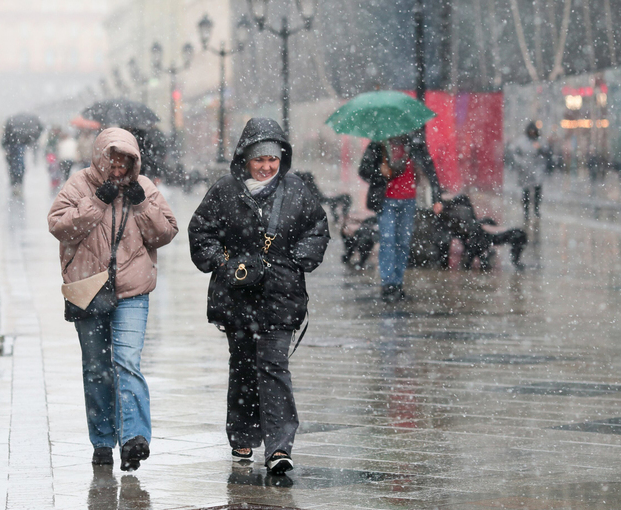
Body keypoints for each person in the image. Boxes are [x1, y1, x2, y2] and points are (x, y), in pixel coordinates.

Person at [188, 118, 330, 475]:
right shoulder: (225, 191)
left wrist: (298, 259)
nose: (267, 166)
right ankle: (243, 434)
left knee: (274, 366)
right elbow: (201, 232)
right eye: (259, 159)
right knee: (243, 366)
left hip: (281, 296)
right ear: (245, 159)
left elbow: (317, 229)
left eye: (273, 159)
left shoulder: (297, 190)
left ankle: (280, 446)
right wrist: (225, 262)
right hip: (238, 298)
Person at [48, 128, 178, 470]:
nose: (118, 168)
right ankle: (103, 441)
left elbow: (165, 233)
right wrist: (97, 201)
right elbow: (59, 226)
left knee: (127, 362)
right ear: (100, 157)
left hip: (132, 291)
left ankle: (134, 438)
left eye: (125, 161)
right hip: (89, 289)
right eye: (113, 159)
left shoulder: (145, 187)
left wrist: (141, 204)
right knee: (96, 370)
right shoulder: (79, 185)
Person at [359, 134, 443, 302]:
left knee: (403, 242)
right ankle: (388, 284)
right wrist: (379, 173)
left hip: (408, 201)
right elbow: (363, 170)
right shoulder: (379, 143)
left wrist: (436, 197)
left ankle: (397, 284)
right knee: (388, 240)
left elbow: (429, 167)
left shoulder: (414, 144)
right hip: (386, 200)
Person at [512, 121, 547, 221]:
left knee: (537, 192)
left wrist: (540, 150)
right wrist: (521, 164)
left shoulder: (540, 141)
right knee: (526, 193)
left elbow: (545, 153)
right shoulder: (521, 142)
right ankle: (526, 212)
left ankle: (536, 210)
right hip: (525, 171)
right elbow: (516, 155)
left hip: (537, 171)